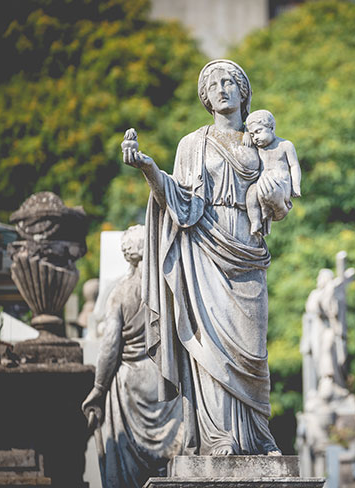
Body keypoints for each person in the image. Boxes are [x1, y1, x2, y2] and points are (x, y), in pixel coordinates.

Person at [122, 59, 281, 455]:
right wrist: (148, 169)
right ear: (205, 97)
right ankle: (219, 436)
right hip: (206, 253)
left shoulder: (260, 141)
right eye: (214, 84)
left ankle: (259, 435)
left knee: (253, 350)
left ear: (244, 93)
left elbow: (281, 193)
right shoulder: (193, 144)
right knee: (211, 346)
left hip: (248, 252)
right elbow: (181, 201)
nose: (222, 89)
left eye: (230, 82)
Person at [81, 225, 182, 488]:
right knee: (169, 465)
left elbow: (109, 348)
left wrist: (99, 389)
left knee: (127, 473)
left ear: (128, 254)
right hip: (166, 382)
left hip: (130, 383)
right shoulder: (169, 289)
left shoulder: (121, 293)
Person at [242, 109, 302, 236]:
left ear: (272, 128)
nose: (255, 137)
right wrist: (246, 134)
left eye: (258, 131)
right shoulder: (258, 149)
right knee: (251, 193)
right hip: (262, 185)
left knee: (266, 184)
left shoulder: (285, 145)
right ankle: (255, 221)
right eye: (252, 134)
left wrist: (295, 186)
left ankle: (266, 210)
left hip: (280, 184)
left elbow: (294, 165)